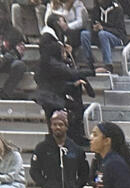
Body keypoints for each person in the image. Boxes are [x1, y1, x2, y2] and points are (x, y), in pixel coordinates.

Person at [34, 14, 93, 144]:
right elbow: (64, 72)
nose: (66, 23)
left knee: (74, 108)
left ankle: (73, 138)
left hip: (57, 88)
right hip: (51, 92)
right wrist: (91, 72)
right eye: (63, 20)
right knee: (60, 115)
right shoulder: (48, 42)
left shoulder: (59, 39)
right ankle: (66, 140)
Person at [0, 3, 27, 100]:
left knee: (20, 65)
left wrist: (4, 58)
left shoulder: (14, 32)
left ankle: (4, 94)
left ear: (5, 15)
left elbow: (20, 50)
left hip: (7, 63)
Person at [80, 0, 124, 74]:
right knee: (84, 34)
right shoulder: (96, 9)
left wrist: (103, 28)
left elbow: (120, 31)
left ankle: (108, 65)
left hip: (116, 38)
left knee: (103, 34)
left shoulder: (117, 9)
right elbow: (92, 25)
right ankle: (88, 63)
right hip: (99, 36)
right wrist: (94, 28)